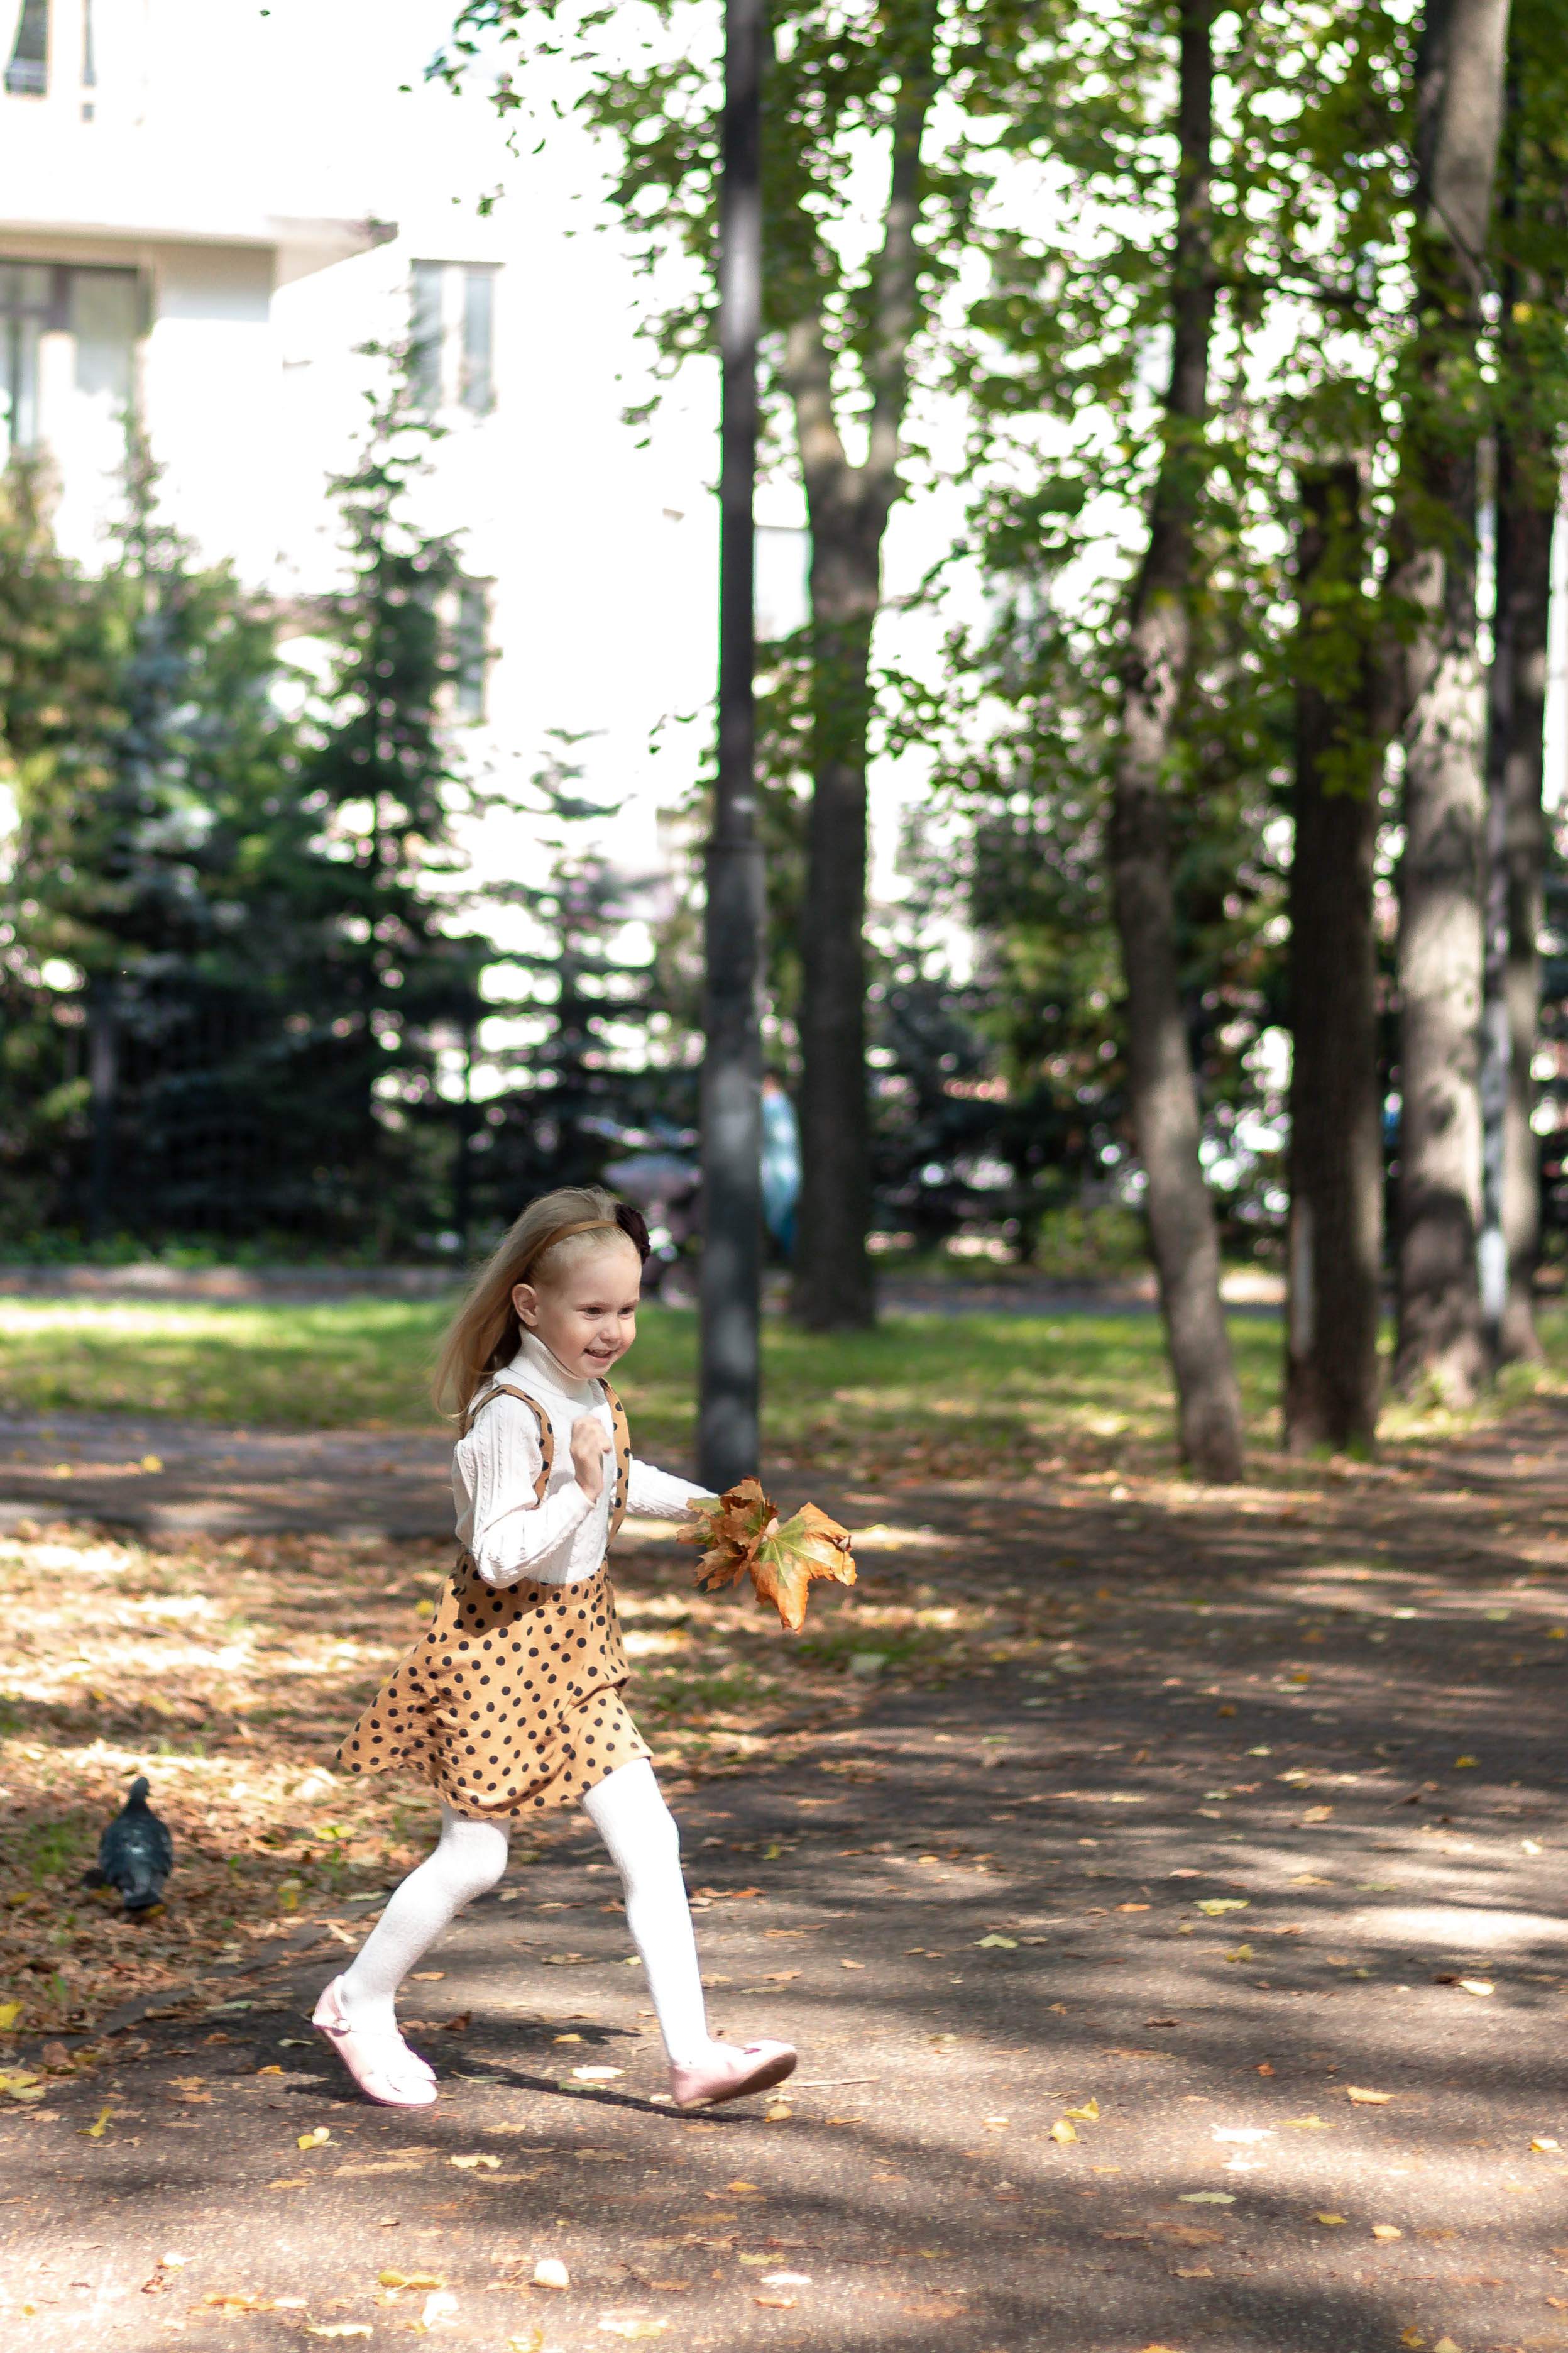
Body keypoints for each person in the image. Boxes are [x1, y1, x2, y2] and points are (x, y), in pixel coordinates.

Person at [314, 1186, 797, 2113]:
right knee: (475, 1859)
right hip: (496, 1650)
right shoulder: (508, 1412)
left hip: (574, 1653)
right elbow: (496, 1552)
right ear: (530, 1305)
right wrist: (577, 1490)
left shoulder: (585, 1389)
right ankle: (357, 2000)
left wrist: (718, 1511)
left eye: (627, 1310)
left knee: (651, 1841)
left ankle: (693, 2056)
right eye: (593, 1311)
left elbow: (623, 1474)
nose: (614, 1330)